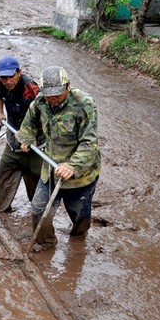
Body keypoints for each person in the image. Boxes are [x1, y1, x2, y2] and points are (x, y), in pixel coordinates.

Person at [18, 66, 101, 246]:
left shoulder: (84, 104)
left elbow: (90, 143)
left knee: (79, 216)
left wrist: (71, 166)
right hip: (51, 169)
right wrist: (27, 138)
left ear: (68, 86)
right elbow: (29, 123)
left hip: (80, 175)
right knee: (39, 209)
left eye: (57, 94)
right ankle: (46, 244)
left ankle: (78, 242)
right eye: (48, 94)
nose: (52, 99)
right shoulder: (41, 101)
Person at [0, 55, 43, 213]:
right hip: (13, 139)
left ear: (19, 72)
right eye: (4, 78)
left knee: (36, 179)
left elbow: (45, 115)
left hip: (36, 144)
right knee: (4, 173)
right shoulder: (0, 83)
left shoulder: (32, 89)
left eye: (11, 77)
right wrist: (0, 112)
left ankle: (37, 213)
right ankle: (1, 208)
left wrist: (29, 134)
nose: (7, 81)